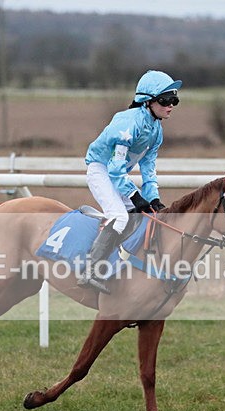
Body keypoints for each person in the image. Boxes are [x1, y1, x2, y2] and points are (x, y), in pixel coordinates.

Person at [77, 70, 181, 294]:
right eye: (166, 100)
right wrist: (135, 196)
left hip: (117, 174)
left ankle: (117, 263)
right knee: (120, 215)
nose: (171, 105)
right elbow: (114, 169)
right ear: (148, 100)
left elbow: (148, 168)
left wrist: (153, 197)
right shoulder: (127, 123)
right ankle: (89, 271)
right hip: (101, 170)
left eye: (175, 100)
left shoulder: (156, 129)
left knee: (138, 215)